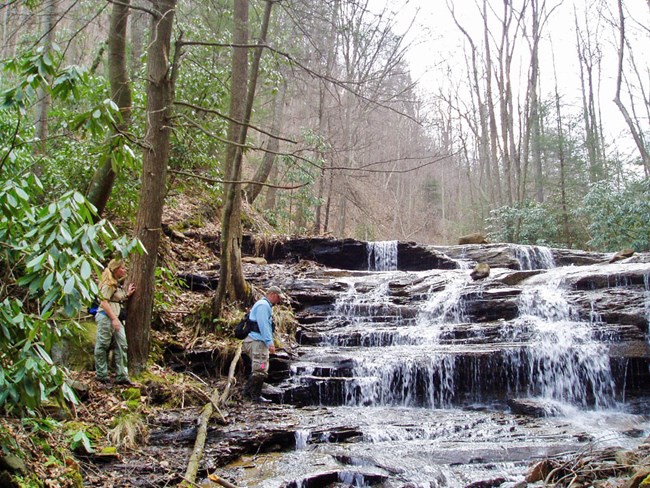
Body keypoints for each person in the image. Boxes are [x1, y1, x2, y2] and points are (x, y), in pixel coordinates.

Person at [94, 258, 135, 386]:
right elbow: (104, 302)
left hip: (115, 318)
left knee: (122, 344)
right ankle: (101, 375)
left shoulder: (116, 283)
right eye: (122, 268)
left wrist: (127, 294)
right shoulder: (108, 284)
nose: (125, 270)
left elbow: (116, 298)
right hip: (106, 317)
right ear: (116, 270)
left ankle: (122, 375)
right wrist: (113, 319)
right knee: (103, 344)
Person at [242, 285, 285, 402]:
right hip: (258, 342)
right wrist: (269, 342)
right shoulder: (263, 306)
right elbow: (263, 325)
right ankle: (253, 396)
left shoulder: (264, 305)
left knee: (260, 367)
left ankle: (248, 394)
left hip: (256, 342)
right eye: (278, 298)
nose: (279, 301)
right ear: (272, 295)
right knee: (260, 368)